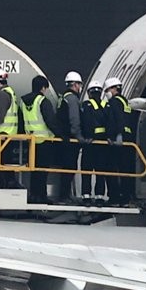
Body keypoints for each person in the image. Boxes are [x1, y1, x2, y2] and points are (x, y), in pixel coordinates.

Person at [20, 75, 58, 204]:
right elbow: (50, 121)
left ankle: (33, 195)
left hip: (30, 141)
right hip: (44, 141)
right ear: (42, 88)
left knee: (33, 170)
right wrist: (61, 135)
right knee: (42, 171)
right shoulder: (42, 101)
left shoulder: (23, 102)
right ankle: (42, 196)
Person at [103, 77, 136, 205]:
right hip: (128, 139)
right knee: (125, 170)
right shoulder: (125, 102)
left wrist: (114, 135)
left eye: (108, 90)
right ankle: (125, 196)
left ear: (114, 89)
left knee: (110, 168)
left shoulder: (115, 102)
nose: (107, 93)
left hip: (118, 140)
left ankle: (115, 196)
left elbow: (115, 119)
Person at [54, 70, 84, 203]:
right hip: (70, 139)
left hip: (63, 138)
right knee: (70, 168)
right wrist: (79, 136)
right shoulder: (72, 99)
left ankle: (65, 195)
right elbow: (74, 119)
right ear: (75, 85)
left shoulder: (63, 97)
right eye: (79, 84)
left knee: (66, 168)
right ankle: (64, 196)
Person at [79, 79, 107, 204]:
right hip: (103, 144)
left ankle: (86, 196)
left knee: (87, 170)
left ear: (89, 93)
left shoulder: (86, 105)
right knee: (100, 171)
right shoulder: (106, 105)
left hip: (89, 143)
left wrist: (87, 137)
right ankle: (100, 196)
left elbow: (85, 122)